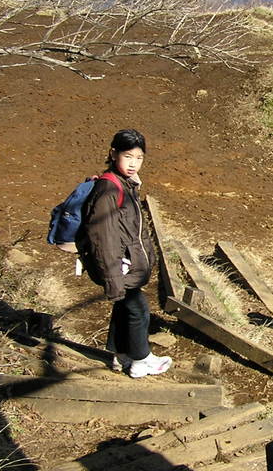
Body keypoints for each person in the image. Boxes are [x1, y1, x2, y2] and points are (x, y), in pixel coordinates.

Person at [76, 129, 172, 378]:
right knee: (138, 310)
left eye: (139, 158)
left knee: (125, 308)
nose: (133, 164)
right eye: (128, 156)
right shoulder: (109, 189)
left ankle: (121, 355)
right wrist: (113, 278)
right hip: (119, 266)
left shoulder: (125, 184)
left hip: (126, 263)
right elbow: (103, 238)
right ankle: (141, 360)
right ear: (113, 154)